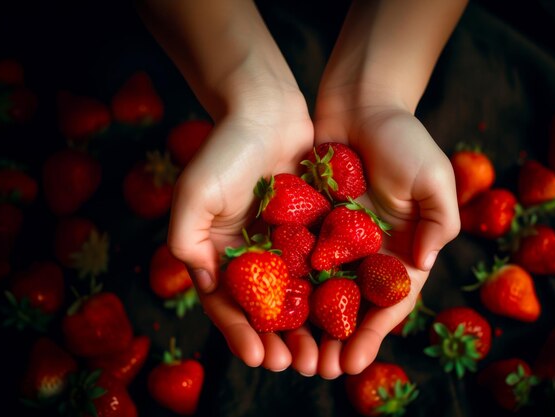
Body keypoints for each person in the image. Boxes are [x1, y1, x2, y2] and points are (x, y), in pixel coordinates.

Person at [134, 0, 465, 379]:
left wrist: (375, 100)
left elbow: (322, 248)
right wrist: (255, 103)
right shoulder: (315, 233)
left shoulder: (317, 235)